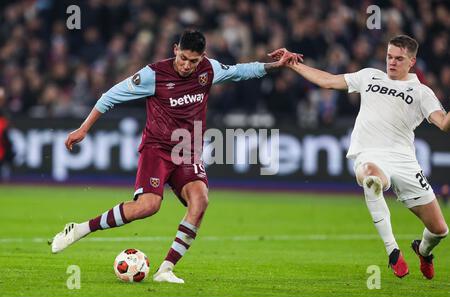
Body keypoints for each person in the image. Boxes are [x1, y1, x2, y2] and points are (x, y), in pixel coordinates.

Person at [49, 30, 296, 283]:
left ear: (203, 57)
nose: (188, 65)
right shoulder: (153, 74)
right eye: (184, 58)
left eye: (194, 61)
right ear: (175, 49)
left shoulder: (208, 69)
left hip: (188, 152)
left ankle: (165, 270)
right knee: (149, 206)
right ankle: (79, 229)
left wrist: (276, 64)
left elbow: (240, 71)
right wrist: (83, 129)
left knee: (200, 201)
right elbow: (109, 96)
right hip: (156, 149)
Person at [269, 35, 450, 279]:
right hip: (370, 153)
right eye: (389, 57)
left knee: (439, 230)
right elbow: (329, 81)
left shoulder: (421, 92)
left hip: (404, 160)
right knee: (372, 180)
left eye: (399, 58)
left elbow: (444, 124)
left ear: (412, 61)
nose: (392, 62)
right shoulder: (369, 76)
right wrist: (293, 63)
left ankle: (423, 251)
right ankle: (393, 252)